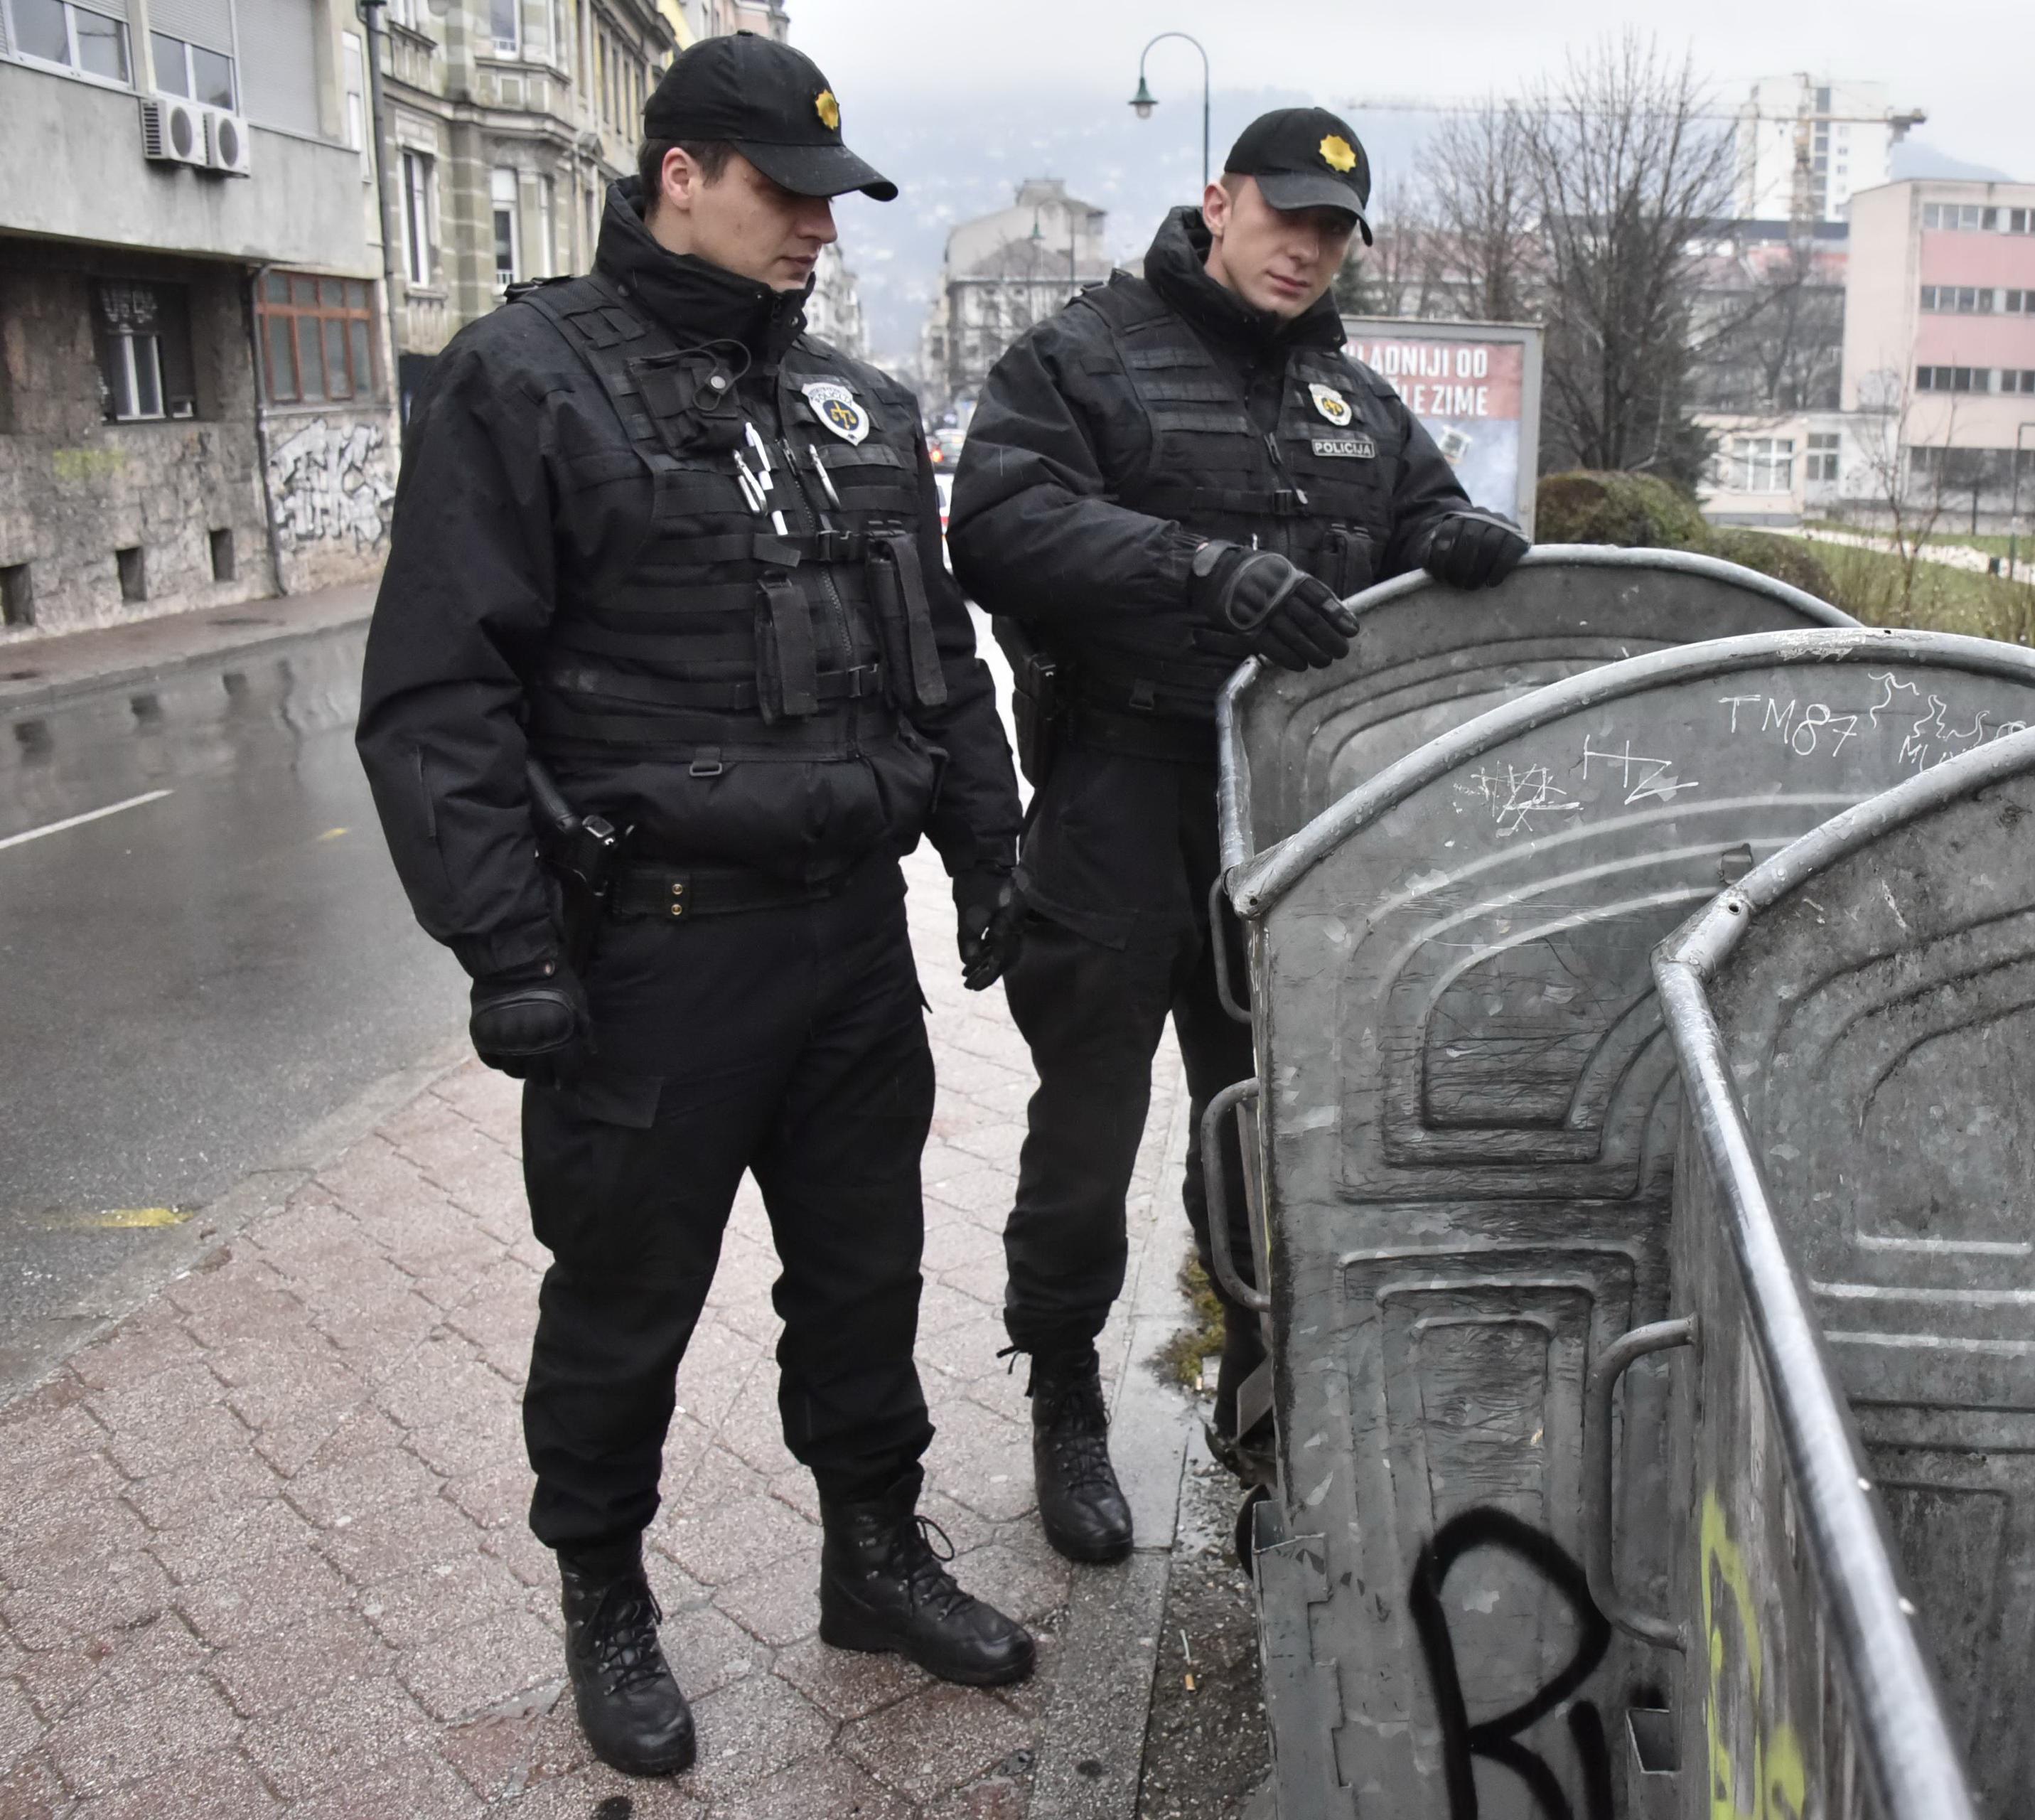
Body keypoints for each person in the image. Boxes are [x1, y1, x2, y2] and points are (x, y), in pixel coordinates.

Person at [355, 32, 1033, 1779]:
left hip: (845, 938)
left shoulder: (857, 406)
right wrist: (507, 948)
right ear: (678, 175)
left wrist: (987, 845)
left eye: (832, 198)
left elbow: (936, 661)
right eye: (785, 193)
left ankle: (873, 1558)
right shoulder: (526, 379)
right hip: (648, 947)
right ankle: (605, 1594)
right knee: (625, 1292)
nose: (817, 225)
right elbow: (443, 693)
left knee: (868, 1272)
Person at [947, 108, 1531, 1563]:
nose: (1309, 250)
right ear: (1220, 201)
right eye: (1289, 217)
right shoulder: (1087, 353)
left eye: (1336, 231)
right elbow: (997, 526)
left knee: (1273, 1131)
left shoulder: (1350, 396)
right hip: (1118, 798)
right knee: (1085, 1129)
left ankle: (1262, 1397)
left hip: (1279, 819)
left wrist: (1456, 545)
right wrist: (1202, 570)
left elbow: (1421, 516)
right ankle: (1068, 1397)